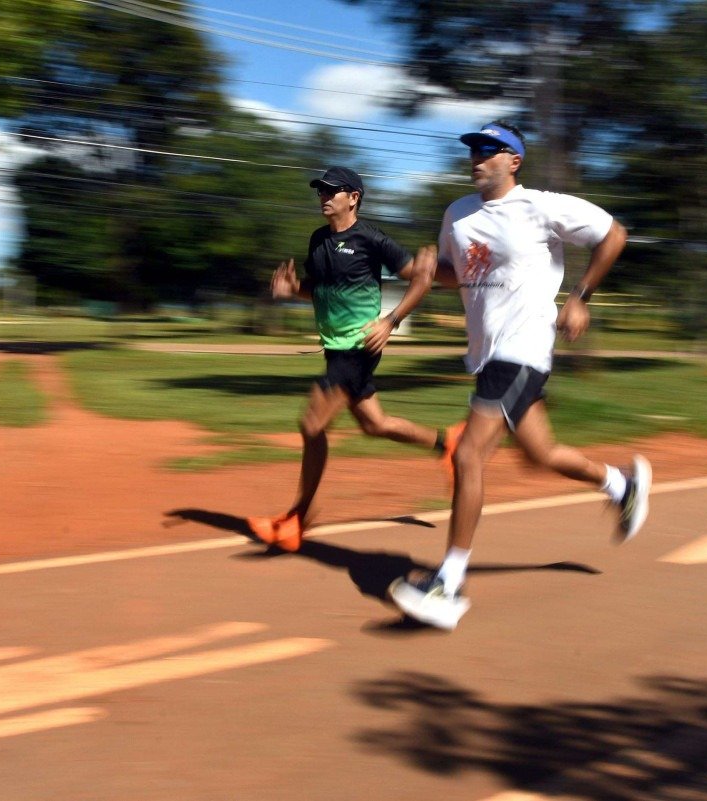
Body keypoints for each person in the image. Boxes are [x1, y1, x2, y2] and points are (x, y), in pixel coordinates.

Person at [388, 121, 651, 631]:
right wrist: (422, 272)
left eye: (489, 151)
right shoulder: (457, 215)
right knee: (541, 454)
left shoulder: (540, 206)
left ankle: (449, 582)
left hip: (524, 347)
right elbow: (455, 273)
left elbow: (613, 235)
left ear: (514, 161)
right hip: (487, 355)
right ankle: (623, 486)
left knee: (467, 453)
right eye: (473, 151)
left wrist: (579, 297)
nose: (477, 158)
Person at [248, 166, 460, 553]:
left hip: (361, 347)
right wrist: (293, 288)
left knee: (312, 424)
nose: (324, 197)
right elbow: (320, 290)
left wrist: (392, 321)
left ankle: (297, 518)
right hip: (334, 348)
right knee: (374, 425)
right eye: (320, 192)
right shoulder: (317, 241)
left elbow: (421, 277)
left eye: (332, 191)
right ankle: (448, 444)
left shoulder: (371, 238)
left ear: (354, 197)